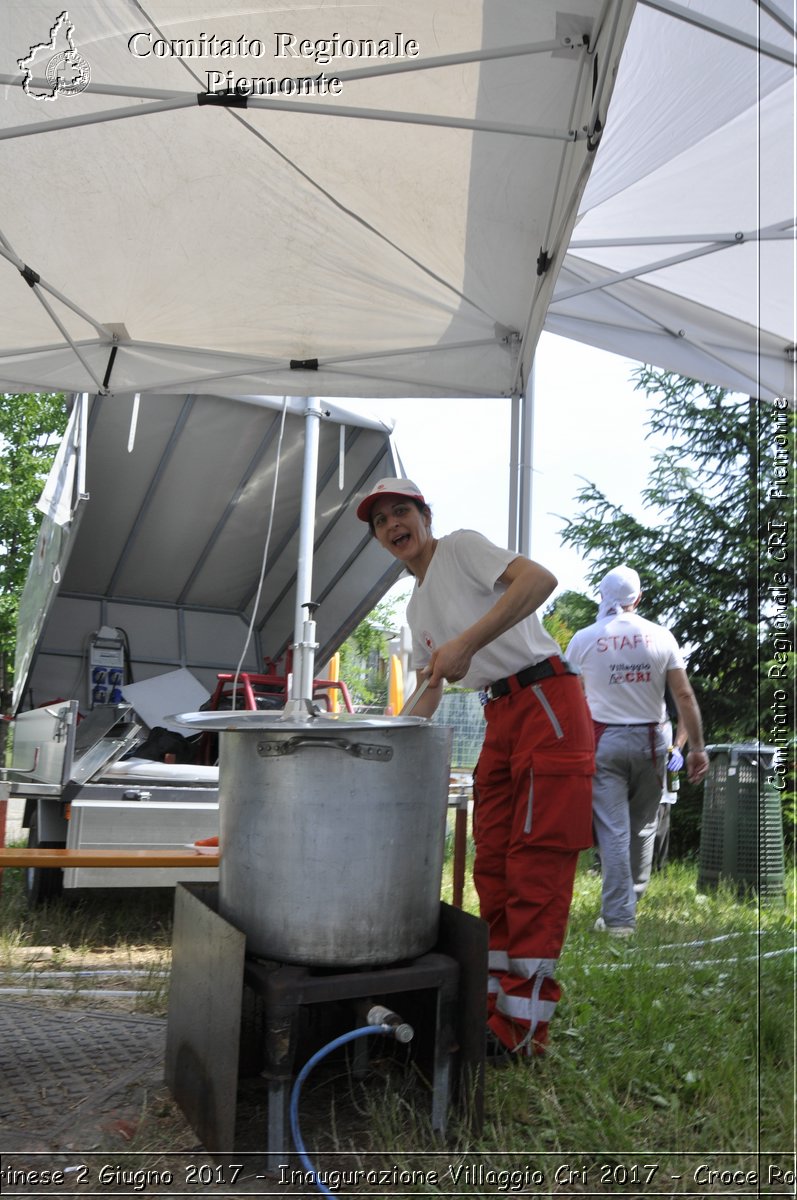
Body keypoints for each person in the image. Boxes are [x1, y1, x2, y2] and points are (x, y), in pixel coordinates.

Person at [356, 477, 595, 1062]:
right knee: (491, 862)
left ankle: (523, 1031)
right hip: (501, 715)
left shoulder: (460, 548)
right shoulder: (415, 607)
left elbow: (540, 580)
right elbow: (428, 690)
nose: (393, 525)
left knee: (535, 861)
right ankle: (492, 1011)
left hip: (546, 699)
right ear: (380, 539)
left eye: (401, 511)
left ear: (425, 516)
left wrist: (464, 642)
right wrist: (377, 747)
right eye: (381, 521)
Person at [565, 566, 709, 936]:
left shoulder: (584, 639)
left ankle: (619, 919)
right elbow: (684, 696)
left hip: (604, 744)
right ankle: (630, 900)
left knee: (613, 830)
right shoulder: (661, 637)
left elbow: (568, 698)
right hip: (652, 743)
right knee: (644, 826)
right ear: (638, 599)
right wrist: (697, 749)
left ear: (602, 596)